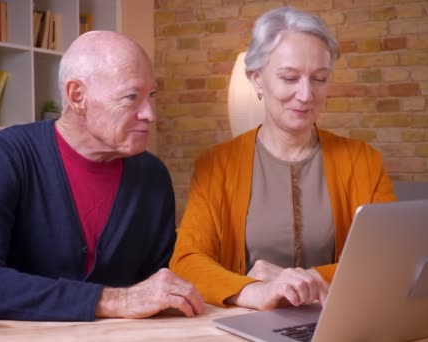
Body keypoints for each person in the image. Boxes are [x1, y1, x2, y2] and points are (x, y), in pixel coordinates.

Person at [0, 31, 204, 321]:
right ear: (77, 96)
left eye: (152, 95)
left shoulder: (153, 176)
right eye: (132, 97)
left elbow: (155, 291)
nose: (150, 114)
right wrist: (112, 300)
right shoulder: (9, 155)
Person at [170, 7, 397, 311]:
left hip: (338, 324)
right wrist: (255, 292)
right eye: (290, 78)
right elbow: (186, 262)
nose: (306, 94)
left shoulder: (363, 161)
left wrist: (305, 279)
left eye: (319, 78)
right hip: (248, 326)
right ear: (257, 79)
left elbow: (390, 256)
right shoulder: (216, 166)